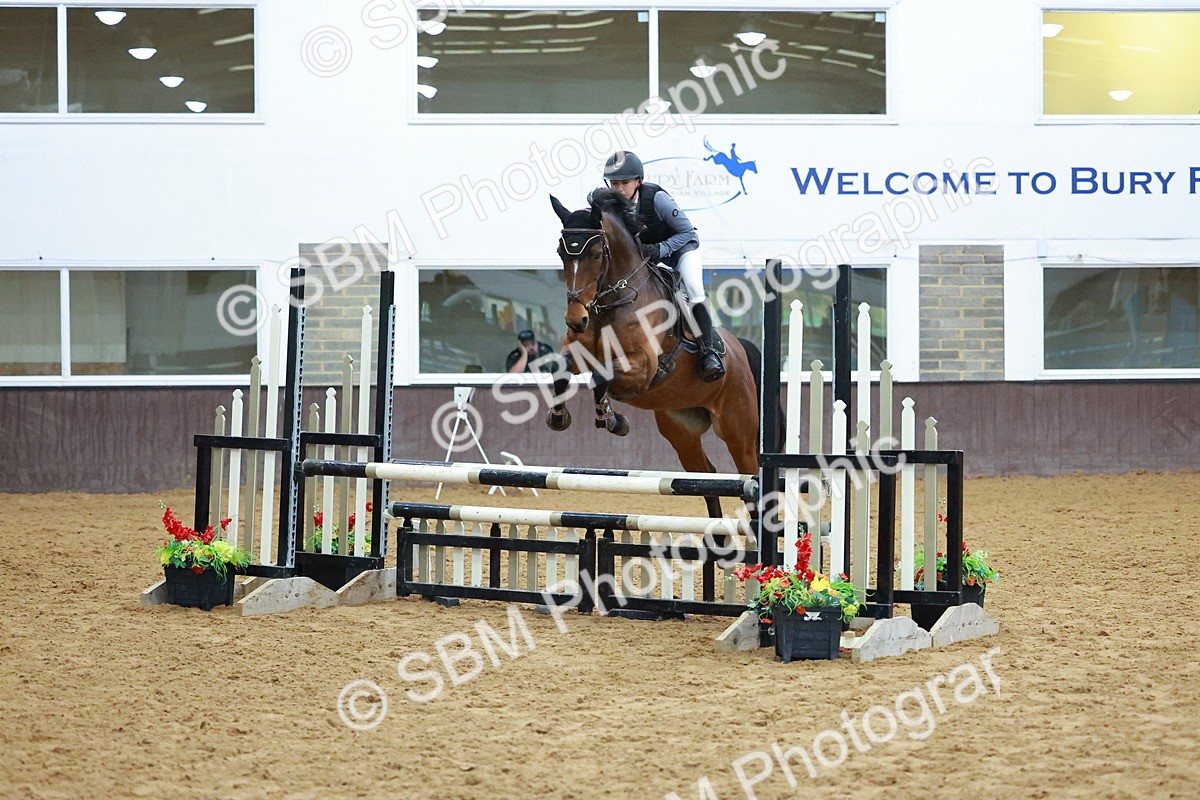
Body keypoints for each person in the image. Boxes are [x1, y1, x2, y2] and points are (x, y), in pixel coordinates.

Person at [600, 150, 725, 381]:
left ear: (639, 181)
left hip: (680, 253)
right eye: (614, 183)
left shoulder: (656, 199)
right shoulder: (612, 205)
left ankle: (709, 352)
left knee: (695, 291)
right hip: (648, 260)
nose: (618, 189)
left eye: (624, 183)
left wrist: (661, 250)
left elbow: (688, 233)